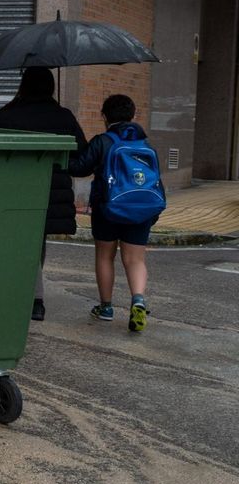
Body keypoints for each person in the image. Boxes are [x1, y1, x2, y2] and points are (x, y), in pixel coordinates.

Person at [0, 67, 86, 321]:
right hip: (52, 192)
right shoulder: (63, 116)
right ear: (50, 87)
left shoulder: (8, 115)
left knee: (22, 240)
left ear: (23, 85)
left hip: (16, 189)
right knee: (38, 240)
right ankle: (34, 298)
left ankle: (31, 296)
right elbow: (82, 154)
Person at [67, 93, 165, 333]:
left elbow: (80, 168)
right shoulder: (145, 144)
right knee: (135, 259)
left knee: (105, 256)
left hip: (108, 207)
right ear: (134, 115)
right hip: (141, 208)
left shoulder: (103, 141)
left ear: (103, 116)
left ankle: (106, 307)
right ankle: (138, 300)